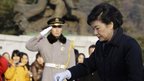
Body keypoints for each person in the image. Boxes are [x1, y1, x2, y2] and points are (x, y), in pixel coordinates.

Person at [54, 2, 143, 81]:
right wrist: (68, 73)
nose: (95, 33)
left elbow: (136, 77)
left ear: (110, 25)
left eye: (97, 28)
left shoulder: (129, 46)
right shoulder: (101, 45)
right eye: (93, 29)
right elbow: (88, 66)